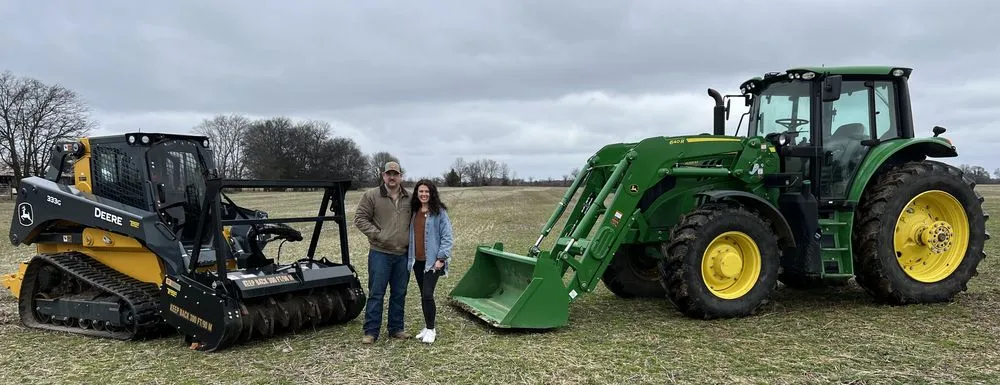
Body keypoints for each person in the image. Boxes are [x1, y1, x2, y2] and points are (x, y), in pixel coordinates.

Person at [353, 161, 413, 344]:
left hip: (403, 254)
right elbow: (360, 218)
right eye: (389, 174)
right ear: (383, 175)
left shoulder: (409, 198)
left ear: (400, 176)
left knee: (399, 293)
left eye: (395, 174)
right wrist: (378, 235)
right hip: (380, 253)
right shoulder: (371, 195)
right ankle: (371, 332)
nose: (392, 177)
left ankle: (396, 328)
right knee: (376, 293)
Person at [407, 179, 454, 344]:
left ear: (432, 193)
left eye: (427, 191)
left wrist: (441, 259)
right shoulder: (414, 211)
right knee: (423, 294)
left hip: (433, 262)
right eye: (421, 191)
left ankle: (431, 329)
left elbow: (447, 236)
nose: (424, 194)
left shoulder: (439, 212)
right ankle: (427, 327)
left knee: (428, 294)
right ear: (417, 193)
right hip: (417, 261)